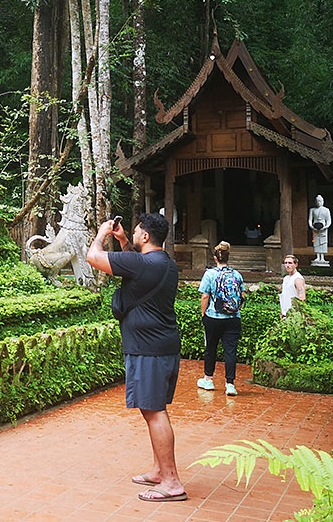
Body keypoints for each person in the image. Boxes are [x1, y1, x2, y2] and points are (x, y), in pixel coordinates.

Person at [87, 213, 187, 503]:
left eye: (135, 232)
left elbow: (93, 257)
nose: (131, 235)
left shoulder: (143, 264)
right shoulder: (165, 263)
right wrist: (122, 241)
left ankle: (171, 481)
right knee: (151, 409)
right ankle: (159, 470)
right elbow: (135, 269)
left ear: (144, 236)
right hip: (161, 345)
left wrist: (102, 234)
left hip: (148, 349)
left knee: (154, 411)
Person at [197, 241, 245, 396]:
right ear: (228, 257)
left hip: (213, 317)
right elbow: (242, 296)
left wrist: (203, 314)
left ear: (215, 258)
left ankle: (208, 379)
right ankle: (230, 384)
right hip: (233, 318)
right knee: (230, 351)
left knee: (210, 348)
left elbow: (205, 296)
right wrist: (235, 310)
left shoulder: (209, 274)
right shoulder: (236, 275)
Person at [309, 195, 332, 266]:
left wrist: (326, 227)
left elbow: (329, 220)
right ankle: (317, 256)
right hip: (315, 228)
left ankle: (322, 257)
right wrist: (311, 226)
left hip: (323, 228)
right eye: (317, 201)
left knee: (323, 242)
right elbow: (310, 219)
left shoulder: (326, 210)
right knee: (316, 242)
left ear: (322, 202)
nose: (318, 202)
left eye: (320, 201)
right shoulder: (312, 210)